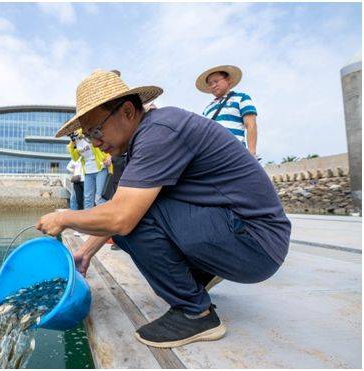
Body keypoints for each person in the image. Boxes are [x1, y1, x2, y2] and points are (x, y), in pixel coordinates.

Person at [36, 70, 290, 348]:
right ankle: (202, 273)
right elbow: (119, 207)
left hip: (256, 242)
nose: (95, 142)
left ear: (128, 111)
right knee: (130, 212)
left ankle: (195, 312)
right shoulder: (148, 136)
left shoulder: (159, 132)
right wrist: (85, 252)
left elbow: (120, 218)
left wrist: (64, 218)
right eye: (88, 136)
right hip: (248, 234)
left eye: (97, 130)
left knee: (129, 221)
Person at [197, 65, 258, 158]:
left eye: (216, 81)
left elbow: (251, 124)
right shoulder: (207, 109)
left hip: (234, 151)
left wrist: (252, 153)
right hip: (211, 154)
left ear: (228, 80)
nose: (213, 85)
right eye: (210, 84)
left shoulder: (241, 98)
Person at [67, 129, 112, 209]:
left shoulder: (85, 134)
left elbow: (98, 141)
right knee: (87, 199)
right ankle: (88, 220)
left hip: (100, 168)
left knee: (99, 198)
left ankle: (107, 215)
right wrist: (72, 145)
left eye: (72, 132)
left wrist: (81, 134)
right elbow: (75, 158)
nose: (71, 134)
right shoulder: (74, 143)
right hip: (88, 171)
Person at [66, 135, 85, 210]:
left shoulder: (84, 157)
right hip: (77, 180)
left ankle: (82, 214)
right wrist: (74, 171)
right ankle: (75, 213)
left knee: (83, 198)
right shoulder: (75, 159)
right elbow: (68, 167)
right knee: (76, 199)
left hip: (84, 179)